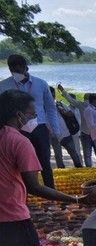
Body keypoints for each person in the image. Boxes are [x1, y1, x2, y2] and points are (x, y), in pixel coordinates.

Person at [0, 90, 96, 246]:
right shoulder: (19, 141)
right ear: (19, 115)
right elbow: (34, 186)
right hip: (13, 215)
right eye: (32, 114)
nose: (35, 118)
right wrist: (76, 200)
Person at [0, 55, 61, 188]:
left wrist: (55, 129)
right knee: (21, 164)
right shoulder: (4, 86)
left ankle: (51, 193)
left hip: (39, 127)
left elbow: (50, 107)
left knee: (45, 163)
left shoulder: (41, 84)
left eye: (18, 70)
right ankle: (24, 196)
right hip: (17, 129)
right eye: (12, 70)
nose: (15, 73)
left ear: (25, 68)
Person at [51, 86, 83, 168]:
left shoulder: (60, 103)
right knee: (58, 156)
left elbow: (71, 114)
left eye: (53, 94)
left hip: (66, 133)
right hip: (53, 136)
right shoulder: (42, 107)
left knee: (73, 152)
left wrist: (63, 111)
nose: (52, 96)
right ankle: (61, 171)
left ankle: (79, 168)